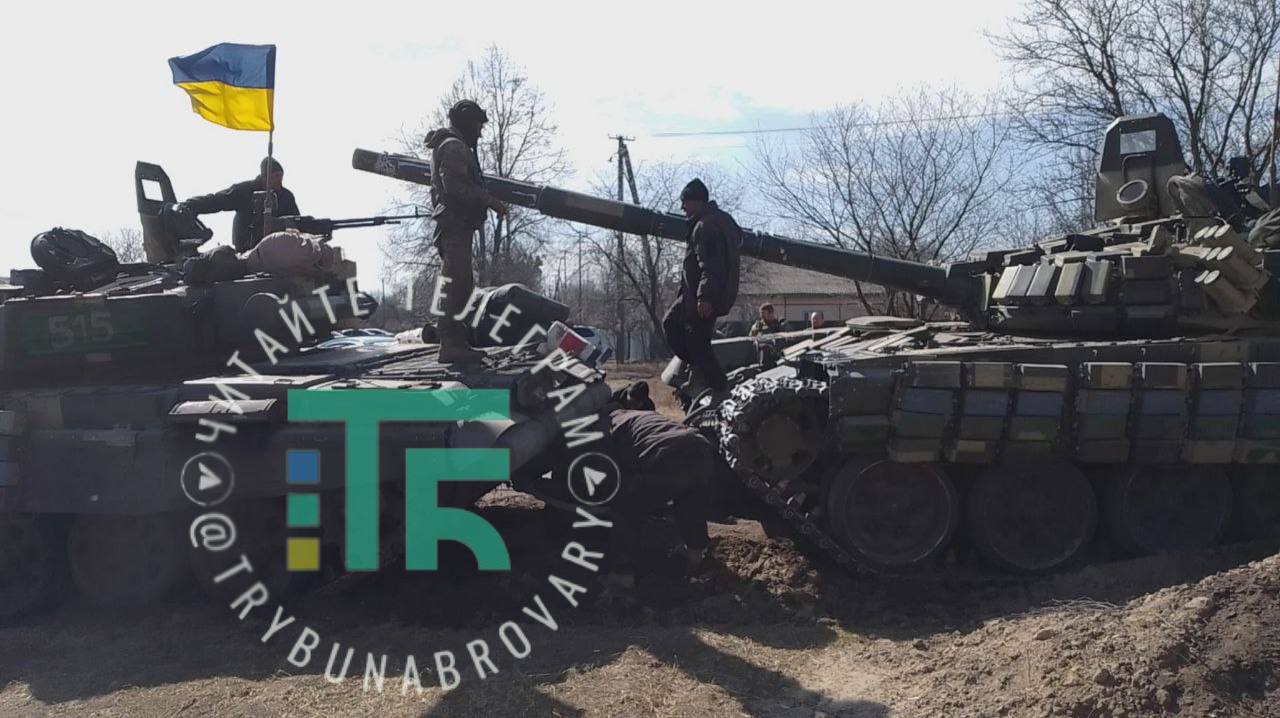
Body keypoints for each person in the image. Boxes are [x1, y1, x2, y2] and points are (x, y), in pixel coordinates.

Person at [423, 99, 509, 364]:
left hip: (456, 224)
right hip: (455, 224)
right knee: (456, 284)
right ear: (467, 123)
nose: (479, 134)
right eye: (478, 126)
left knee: (461, 283)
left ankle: (455, 341)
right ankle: (450, 343)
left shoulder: (450, 145)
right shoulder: (454, 147)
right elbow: (455, 187)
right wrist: (490, 201)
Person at [606, 409, 715, 578]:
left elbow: (616, 474)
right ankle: (695, 556)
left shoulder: (611, 426)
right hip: (701, 448)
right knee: (690, 501)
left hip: (667, 456)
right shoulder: (639, 415)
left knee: (623, 506)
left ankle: (622, 574)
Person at [662, 178, 741, 396]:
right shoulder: (718, 220)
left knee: (696, 342)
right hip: (697, 293)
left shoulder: (705, 226)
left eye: (685, 202)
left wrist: (705, 297)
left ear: (698, 201)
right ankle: (701, 374)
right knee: (683, 332)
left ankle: (718, 387)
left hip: (704, 295)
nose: (682, 207)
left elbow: (711, 265)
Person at [183, 158, 300, 253]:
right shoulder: (245, 191)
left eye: (281, 176)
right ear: (265, 176)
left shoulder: (286, 197)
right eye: (276, 176)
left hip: (276, 249)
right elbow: (217, 200)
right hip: (246, 249)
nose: (280, 180)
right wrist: (190, 205)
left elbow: (296, 222)